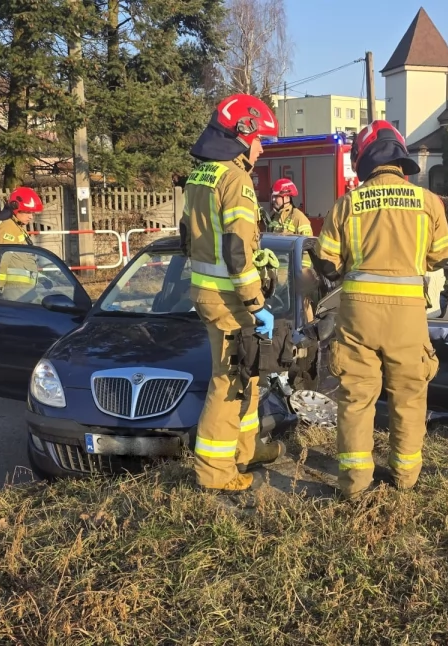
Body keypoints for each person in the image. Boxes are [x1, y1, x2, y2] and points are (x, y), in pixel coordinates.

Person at [315, 120, 448, 500]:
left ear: (365, 159)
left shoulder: (348, 204)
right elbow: (442, 255)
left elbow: (326, 261)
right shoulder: (429, 203)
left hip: (358, 316)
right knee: (409, 395)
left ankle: (355, 484)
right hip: (407, 318)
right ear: (400, 156)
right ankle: (405, 478)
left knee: (356, 398)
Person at [181, 93, 285, 493]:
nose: (261, 149)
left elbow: (189, 237)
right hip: (231, 301)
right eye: (261, 139)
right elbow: (237, 249)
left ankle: (245, 450)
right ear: (244, 132)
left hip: (208, 293)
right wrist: (256, 303)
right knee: (228, 383)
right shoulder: (235, 179)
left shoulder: (200, 176)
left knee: (249, 378)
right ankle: (214, 473)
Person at [0, 186, 45, 300]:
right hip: (14, 292)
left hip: (24, 291)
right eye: (27, 212)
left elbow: (22, 259)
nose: (31, 216)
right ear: (15, 208)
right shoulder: (8, 227)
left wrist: (41, 277)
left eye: (32, 213)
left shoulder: (17, 227)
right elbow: (2, 260)